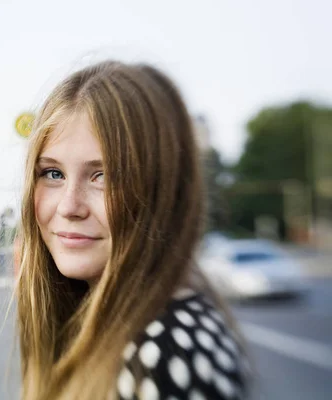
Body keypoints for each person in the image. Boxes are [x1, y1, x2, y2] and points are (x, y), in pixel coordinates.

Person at [15, 61, 250, 400]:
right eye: (53, 174)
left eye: (104, 176)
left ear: (162, 192)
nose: (69, 206)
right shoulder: (96, 322)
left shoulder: (167, 355)